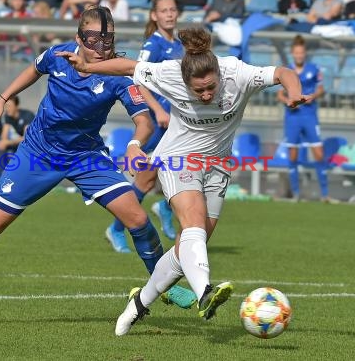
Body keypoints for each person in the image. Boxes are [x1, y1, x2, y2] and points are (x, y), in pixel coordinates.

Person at [0, 6, 195, 326]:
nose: (101, 46)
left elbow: (143, 121)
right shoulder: (58, 56)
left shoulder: (119, 74)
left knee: (138, 218)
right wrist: (2, 98)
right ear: (79, 38)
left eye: (108, 39)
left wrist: (134, 144)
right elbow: (33, 69)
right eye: (93, 39)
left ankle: (163, 285)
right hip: (38, 153)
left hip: (86, 157)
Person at [57, 26, 306, 335]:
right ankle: (205, 292)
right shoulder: (170, 73)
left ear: (218, 73)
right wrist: (87, 66)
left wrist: (294, 92)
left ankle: (138, 303)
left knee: (185, 249)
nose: (205, 95)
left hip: (218, 165)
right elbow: (129, 66)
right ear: (185, 79)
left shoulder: (237, 73)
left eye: (210, 88)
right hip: (178, 158)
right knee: (193, 226)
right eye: (198, 90)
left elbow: (282, 71)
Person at [105, 0, 183, 253]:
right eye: (164, 10)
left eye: (173, 9)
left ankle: (164, 207)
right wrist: (157, 110)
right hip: (160, 121)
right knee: (145, 179)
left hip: (178, 120)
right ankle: (117, 228)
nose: (169, 14)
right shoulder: (154, 44)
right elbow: (138, 78)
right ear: (154, 15)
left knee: (186, 170)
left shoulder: (179, 44)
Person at [277, 35, 331, 202]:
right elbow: (280, 93)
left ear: (305, 53)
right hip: (293, 117)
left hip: (309, 115)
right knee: (293, 156)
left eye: (301, 53)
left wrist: (313, 96)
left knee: (319, 154)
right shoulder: (287, 71)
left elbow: (321, 89)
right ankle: (296, 194)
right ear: (293, 53)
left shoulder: (314, 69)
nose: (299, 55)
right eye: (296, 53)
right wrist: (288, 101)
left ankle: (324, 194)